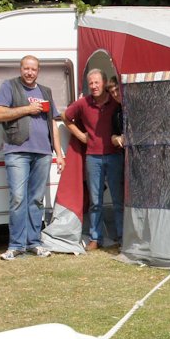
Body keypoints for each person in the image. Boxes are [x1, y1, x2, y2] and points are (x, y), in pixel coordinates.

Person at [0, 55, 65, 260]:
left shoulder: (45, 92)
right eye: (26, 68)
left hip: (43, 152)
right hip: (17, 151)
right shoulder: (9, 86)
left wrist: (59, 154)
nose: (29, 72)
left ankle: (34, 243)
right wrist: (28, 109)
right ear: (21, 68)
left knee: (36, 200)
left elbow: (53, 124)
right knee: (18, 198)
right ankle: (16, 245)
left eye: (33, 69)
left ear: (38, 71)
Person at [63, 69, 122, 251]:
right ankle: (95, 238)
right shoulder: (83, 103)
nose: (94, 86)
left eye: (97, 82)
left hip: (114, 156)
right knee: (95, 201)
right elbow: (66, 117)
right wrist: (81, 135)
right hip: (93, 157)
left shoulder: (116, 101)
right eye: (91, 83)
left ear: (104, 83)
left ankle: (122, 237)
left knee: (118, 199)